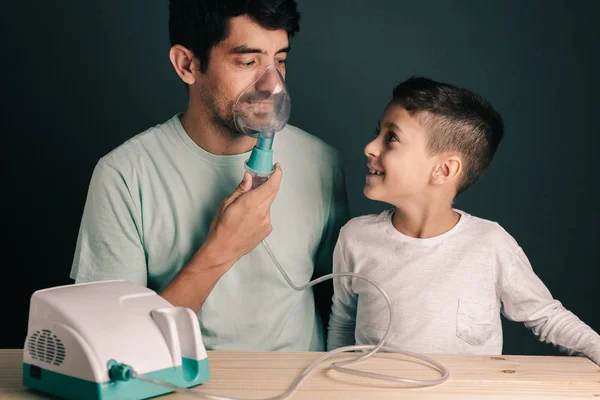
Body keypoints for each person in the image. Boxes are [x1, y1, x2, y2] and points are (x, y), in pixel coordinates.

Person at [70, 0, 349, 352]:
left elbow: (338, 301)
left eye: (279, 61)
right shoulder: (124, 176)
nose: (271, 85)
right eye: (247, 62)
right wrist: (222, 247)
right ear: (187, 64)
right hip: (183, 384)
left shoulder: (321, 162)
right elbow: (114, 345)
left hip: (298, 384)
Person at [326, 76, 600, 365]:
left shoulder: (489, 244)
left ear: (444, 170)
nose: (370, 146)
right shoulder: (355, 237)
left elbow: (546, 316)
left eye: (391, 137)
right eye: (377, 132)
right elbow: (344, 321)